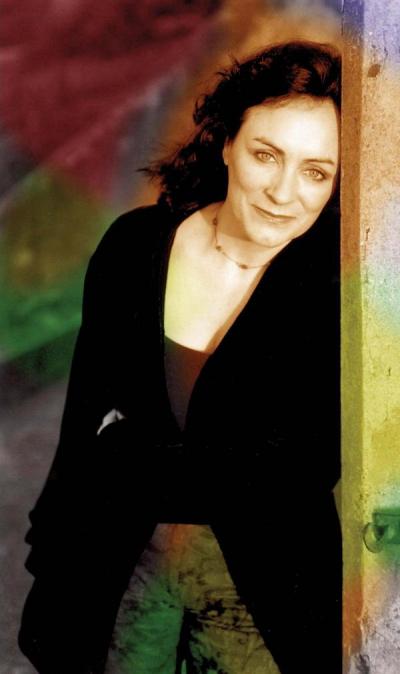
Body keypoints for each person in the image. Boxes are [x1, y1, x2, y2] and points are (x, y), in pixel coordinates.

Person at [18, 40, 342, 674]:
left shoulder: (343, 290)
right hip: (122, 566)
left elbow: (310, 466)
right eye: (266, 155)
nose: (284, 192)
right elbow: (83, 419)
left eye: (316, 171)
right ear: (228, 144)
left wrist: (141, 454)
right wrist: (55, 545)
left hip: (268, 589)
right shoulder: (134, 248)